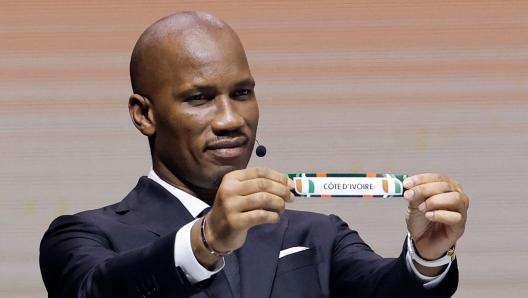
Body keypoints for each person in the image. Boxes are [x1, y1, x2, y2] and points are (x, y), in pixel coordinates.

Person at [39, 11, 469, 298]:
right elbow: (94, 290)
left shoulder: (316, 234)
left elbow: (385, 290)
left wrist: (426, 257)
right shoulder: (82, 237)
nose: (230, 119)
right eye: (199, 98)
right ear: (144, 114)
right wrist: (205, 240)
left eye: (242, 93)